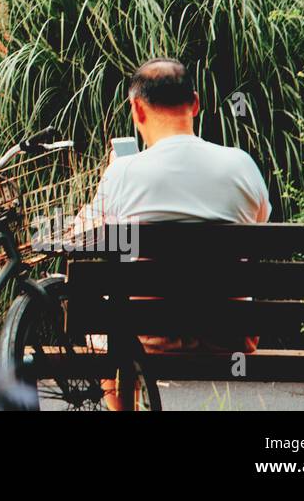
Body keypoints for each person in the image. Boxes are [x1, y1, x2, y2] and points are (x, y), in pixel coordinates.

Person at [77, 57, 271, 409]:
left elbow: (86, 235)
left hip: (145, 338)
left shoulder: (124, 172)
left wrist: (112, 175)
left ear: (137, 109)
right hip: (229, 336)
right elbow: (259, 227)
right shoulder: (241, 164)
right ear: (195, 103)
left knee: (105, 324)